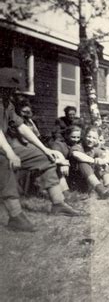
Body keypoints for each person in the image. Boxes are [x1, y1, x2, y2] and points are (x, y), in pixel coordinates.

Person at [1, 68, 81, 232]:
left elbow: (21, 127)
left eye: (12, 88)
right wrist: (10, 152)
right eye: (7, 88)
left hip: (4, 143)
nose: (11, 91)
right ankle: (15, 216)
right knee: (4, 162)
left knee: (45, 158)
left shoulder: (7, 103)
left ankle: (58, 203)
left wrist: (45, 149)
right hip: (2, 147)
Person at [69, 126, 109, 199]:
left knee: (105, 164)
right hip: (77, 181)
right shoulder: (78, 146)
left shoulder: (93, 149)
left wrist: (103, 161)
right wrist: (94, 161)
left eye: (94, 138)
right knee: (83, 163)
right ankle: (100, 189)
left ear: (97, 140)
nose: (90, 140)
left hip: (90, 180)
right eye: (88, 136)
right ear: (84, 136)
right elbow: (76, 154)